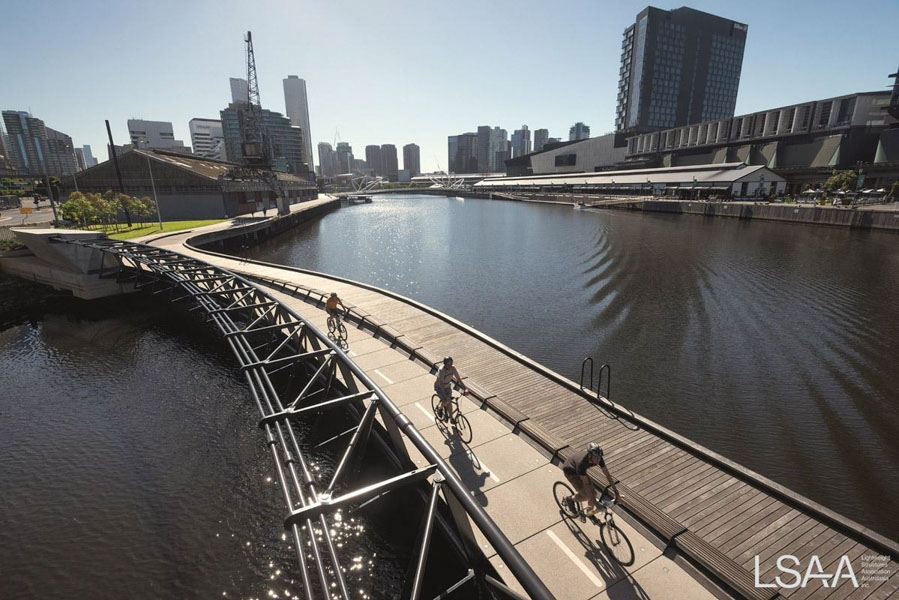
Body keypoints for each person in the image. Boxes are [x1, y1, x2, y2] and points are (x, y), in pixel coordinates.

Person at [563, 443, 618, 517]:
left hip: (580, 471)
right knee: (587, 496)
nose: (598, 460)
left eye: (599, 457)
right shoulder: (582, 463)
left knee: (594, 494)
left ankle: (589, 514)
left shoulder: (599, 459)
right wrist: (596, 504)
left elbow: (607, 475)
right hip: (570, 471)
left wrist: (616, 493)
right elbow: (586, 484)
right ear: (589, 455)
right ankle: (569, 499)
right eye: (596, 457)